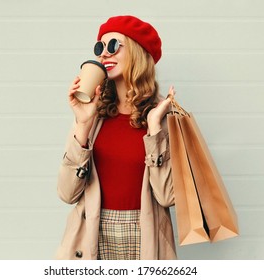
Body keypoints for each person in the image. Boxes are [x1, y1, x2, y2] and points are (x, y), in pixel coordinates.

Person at [55, 15, 176, 260]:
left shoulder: (163, 116)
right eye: (100, 47)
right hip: (92, 236)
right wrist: (82, 123)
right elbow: (67, 193)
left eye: (113, 46)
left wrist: (153, 128)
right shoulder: (92, 117)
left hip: (145, 237)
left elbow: (167, 196)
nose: (104, 54)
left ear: (138, 53)